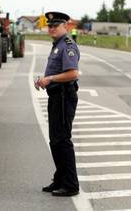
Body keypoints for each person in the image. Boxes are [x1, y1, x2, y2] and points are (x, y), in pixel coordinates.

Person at [35, 11, 80, 197]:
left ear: (66, 27)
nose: (52, 28)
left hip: (64, 97)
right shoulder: (57, 45)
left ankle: (70, 185)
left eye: (56, 25)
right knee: (55, 141)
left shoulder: (68, 45)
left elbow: (73, 73)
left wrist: (50, 78)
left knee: (62, 141)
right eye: (50, 25)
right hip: (56, 96)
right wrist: (44, 80)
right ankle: (60, 179)